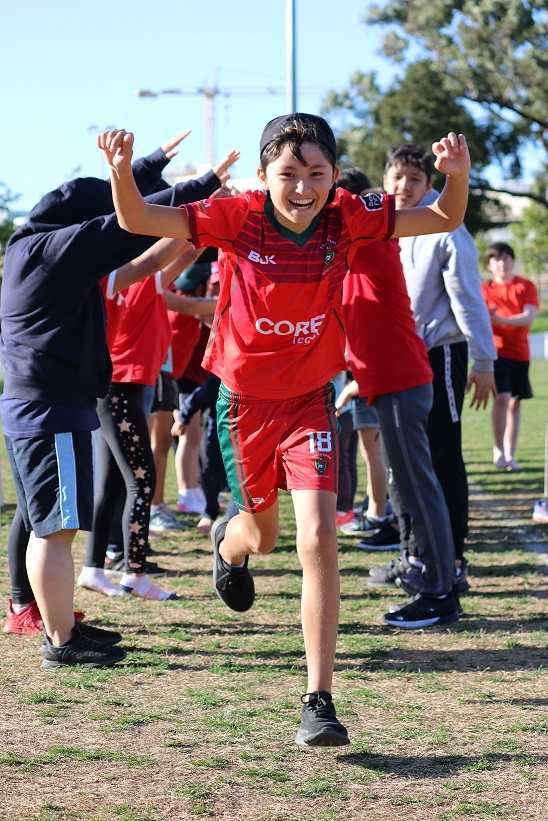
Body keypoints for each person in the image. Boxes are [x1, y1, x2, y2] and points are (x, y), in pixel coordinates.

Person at [99, 114, 471, 746]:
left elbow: (441, 219)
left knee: (319, 539)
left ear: (333, 174)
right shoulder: (237, 216)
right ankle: (230, 542)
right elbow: (139, 222)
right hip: (243, 407)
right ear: (265, 175)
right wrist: (118, 175)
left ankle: (319, 698)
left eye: (317, 174)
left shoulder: (348, 214)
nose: (303, 188)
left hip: (309, 403)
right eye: (289, 175)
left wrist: (454, 178)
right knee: (264, 540)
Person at [0, 131, 238, 660]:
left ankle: (59, 627)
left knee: (47, 524)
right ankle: (60, 640)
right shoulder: (52, 253)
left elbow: (121, 217)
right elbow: (125, 223)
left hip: (38, 404)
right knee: (57, 529)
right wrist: (202, 188)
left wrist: (151, 166)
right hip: (50, 407)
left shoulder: (31, 250)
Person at [375, 143, 497, 599]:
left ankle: (454, 561)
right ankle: (414, 554)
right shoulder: (383, 227)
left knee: (442, 457)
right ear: (385, 180)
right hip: (396, 358)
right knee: (401, 466)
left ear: (428, 186)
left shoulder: (445, 228)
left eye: (414, 179)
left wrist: (483, 361)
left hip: (439, 356)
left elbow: (468, 297)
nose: (404, 186)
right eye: (397, 176)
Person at [481, 242, 539, 471]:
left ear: (512, 261)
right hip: (495, 353)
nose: (501, 263)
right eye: (496, 259)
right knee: (502, 397)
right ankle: (499, 450)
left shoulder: (526, 286)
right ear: (489, 264)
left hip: (521, 354)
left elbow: (528, 317)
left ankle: (510, 454)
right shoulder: (484, 289)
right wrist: (490, 320)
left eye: (505, 258)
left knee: (515, 403)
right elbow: (478, 318)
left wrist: (498, 320)